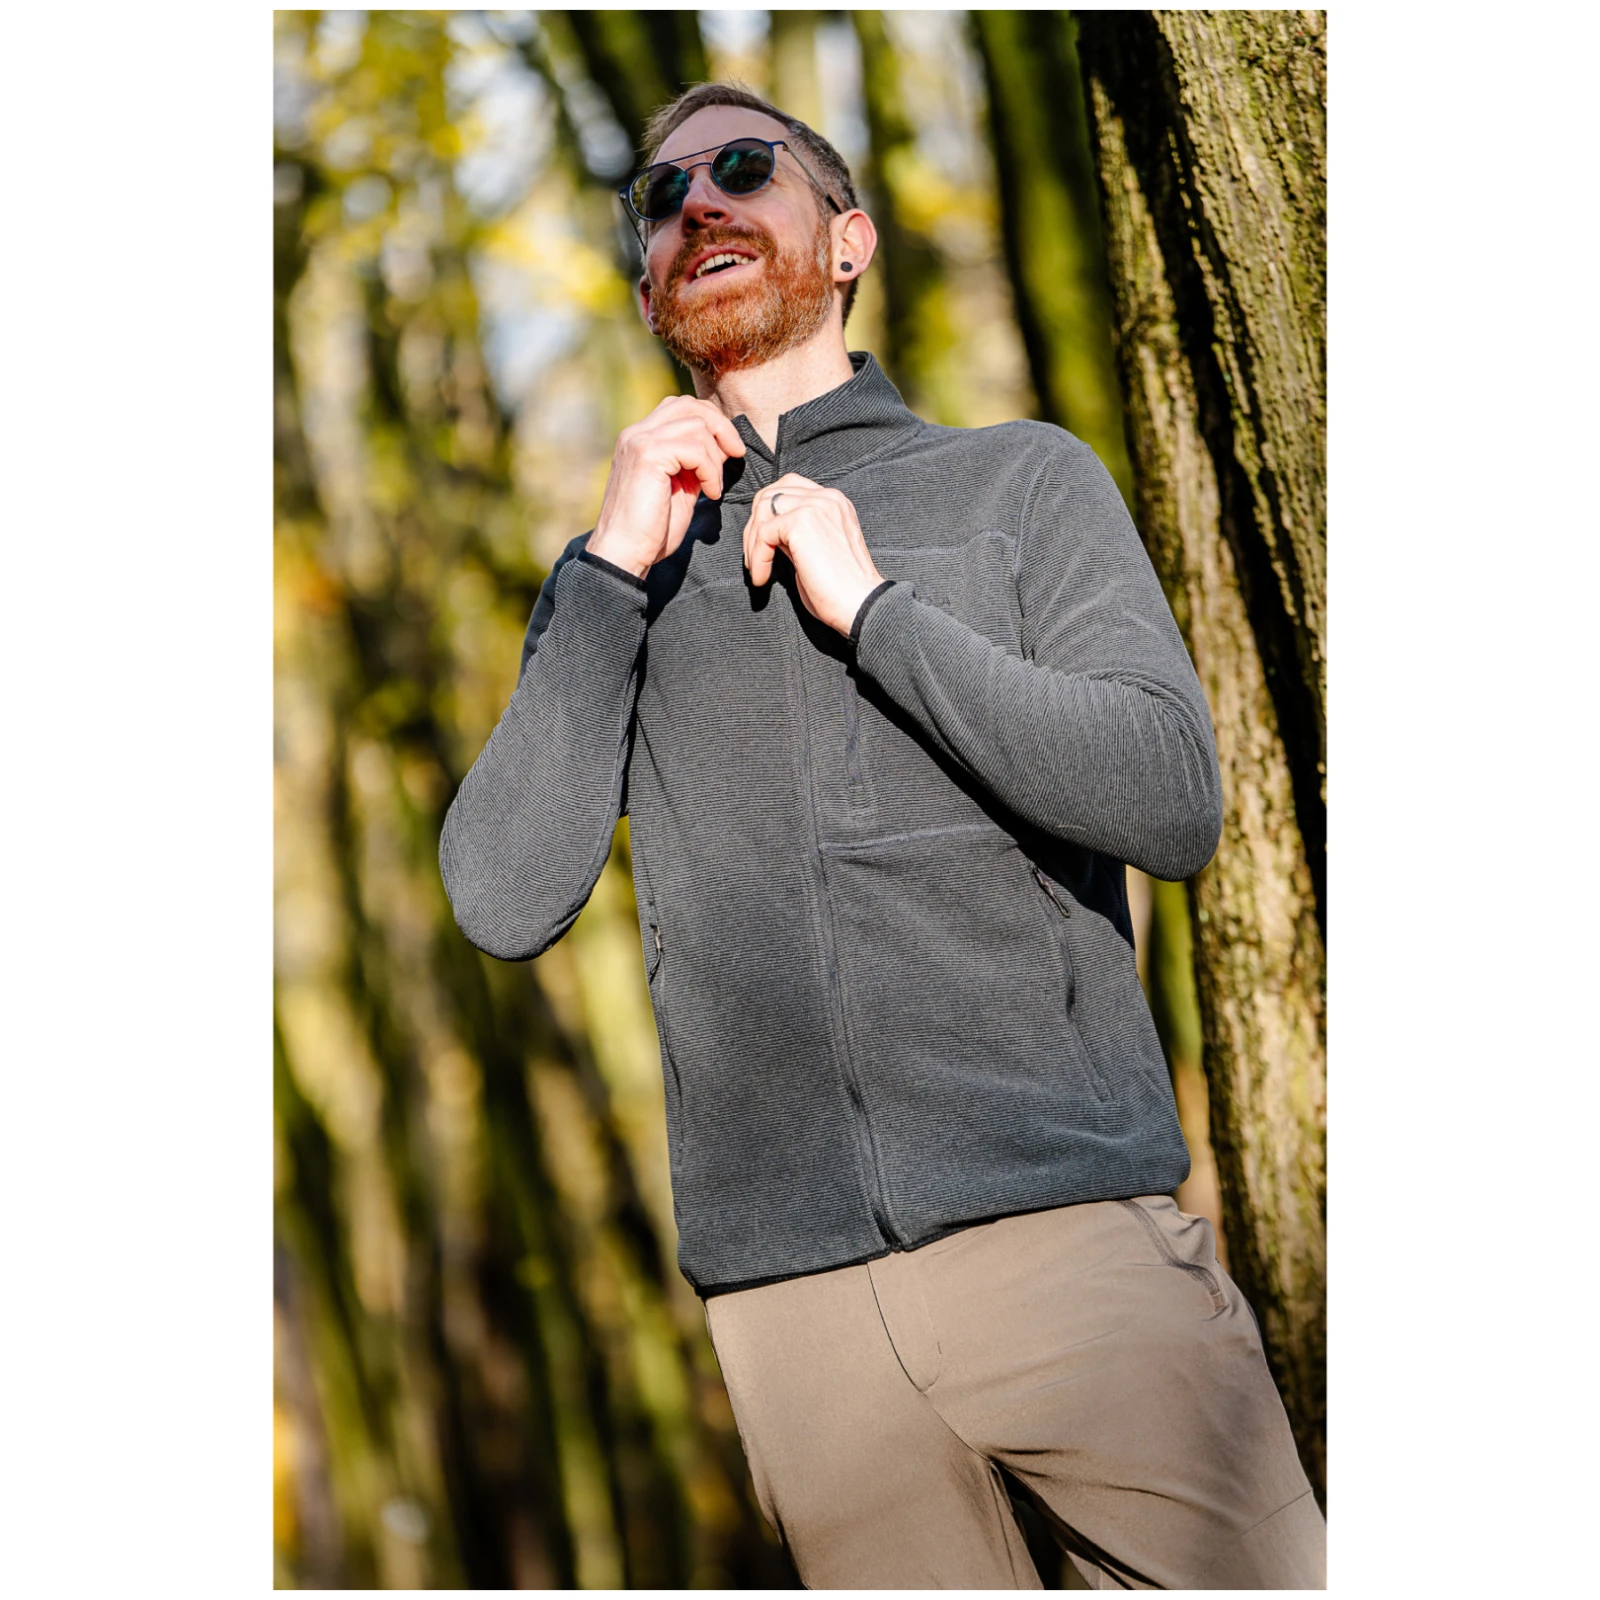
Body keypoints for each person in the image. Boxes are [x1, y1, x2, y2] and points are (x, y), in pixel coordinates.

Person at [440, 81, 1326, 1590]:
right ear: (650, 293)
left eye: (742, 169)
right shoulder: (618, 581)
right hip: (796, 1325)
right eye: (660, 201)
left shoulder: (1021, 482)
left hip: (1070, 1243)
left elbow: (1171, 796)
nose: (698, 204)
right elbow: (500, 896)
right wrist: (604, 570)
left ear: (847, 241)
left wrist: (880, 614)